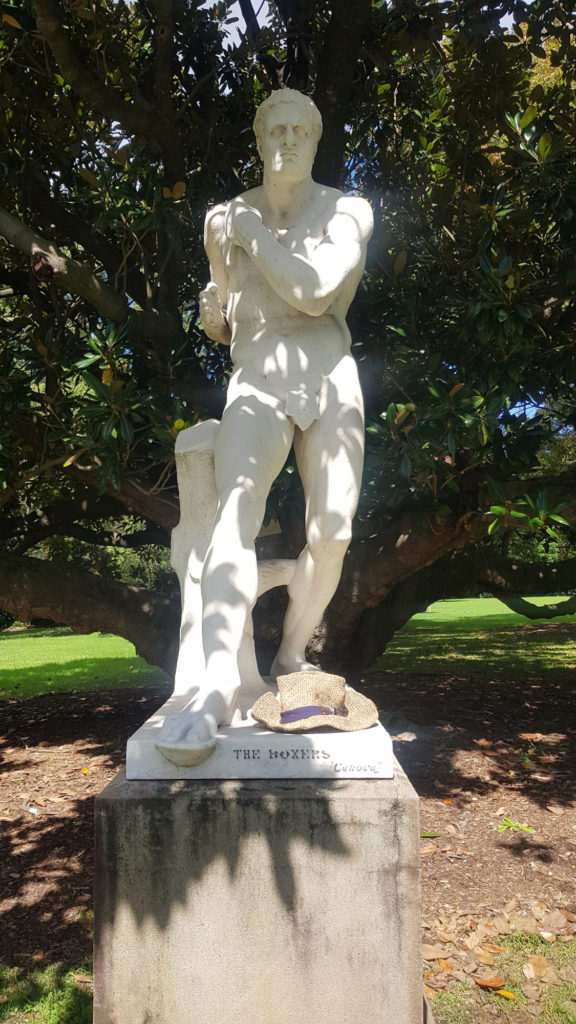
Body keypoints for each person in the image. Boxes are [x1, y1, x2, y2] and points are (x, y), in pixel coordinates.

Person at [158, 89, 373, 764]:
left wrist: (250, 235)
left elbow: (312, 290)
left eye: (299, 131)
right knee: (234, 513)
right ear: (258, 140)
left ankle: (289, 653)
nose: (286, 139)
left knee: (332, 531)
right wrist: (213, 311)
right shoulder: (221, 221)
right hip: (255, 375)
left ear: (314, 142)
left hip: (329, 371)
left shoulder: (349, 210)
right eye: (273, 129)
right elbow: (225, 316)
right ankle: (217, 684)